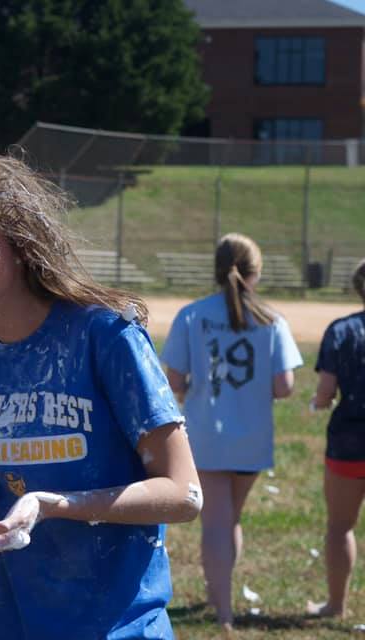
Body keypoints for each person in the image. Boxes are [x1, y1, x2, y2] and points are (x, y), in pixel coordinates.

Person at [0, 153, 202, 639]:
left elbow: (183, 493)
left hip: (114, 624)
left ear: (21, 243)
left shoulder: (105, 336)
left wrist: (57, 504)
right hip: (5, 619)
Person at [161, 233, 303, 635]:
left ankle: (221, 610)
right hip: (252, 435)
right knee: (230, 520)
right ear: (255, 273)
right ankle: (220, 598)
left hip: (207, 434)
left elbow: (174, 378)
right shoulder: (272, 320)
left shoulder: (191, 314)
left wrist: (193, 388)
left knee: (218, 524)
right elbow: (284, 386)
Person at [306, 258, 365, 619]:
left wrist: (319, 402)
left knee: (340, 526)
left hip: (349, 441)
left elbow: (326, 391)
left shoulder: (341, 330)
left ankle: (336, 605)